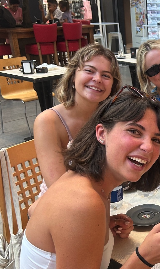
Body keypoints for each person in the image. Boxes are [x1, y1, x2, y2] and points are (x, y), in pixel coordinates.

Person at [19, 86, 160, 269]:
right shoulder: (82, 202)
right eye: (134, 131)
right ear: (101, 133)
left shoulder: (85, 183)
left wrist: (97, 230)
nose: (148, 147)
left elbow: (36, 211)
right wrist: (145, 257)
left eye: (156, 139)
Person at [30, 44, 128, 237]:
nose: (97, 79)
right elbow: (60, 190)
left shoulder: (110, 120)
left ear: (112, 85)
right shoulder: (48, 121)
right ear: (73, 76)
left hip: (97, 206)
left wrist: (105, 219)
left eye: (106, 75)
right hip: (60, 216)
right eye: (89, 71)